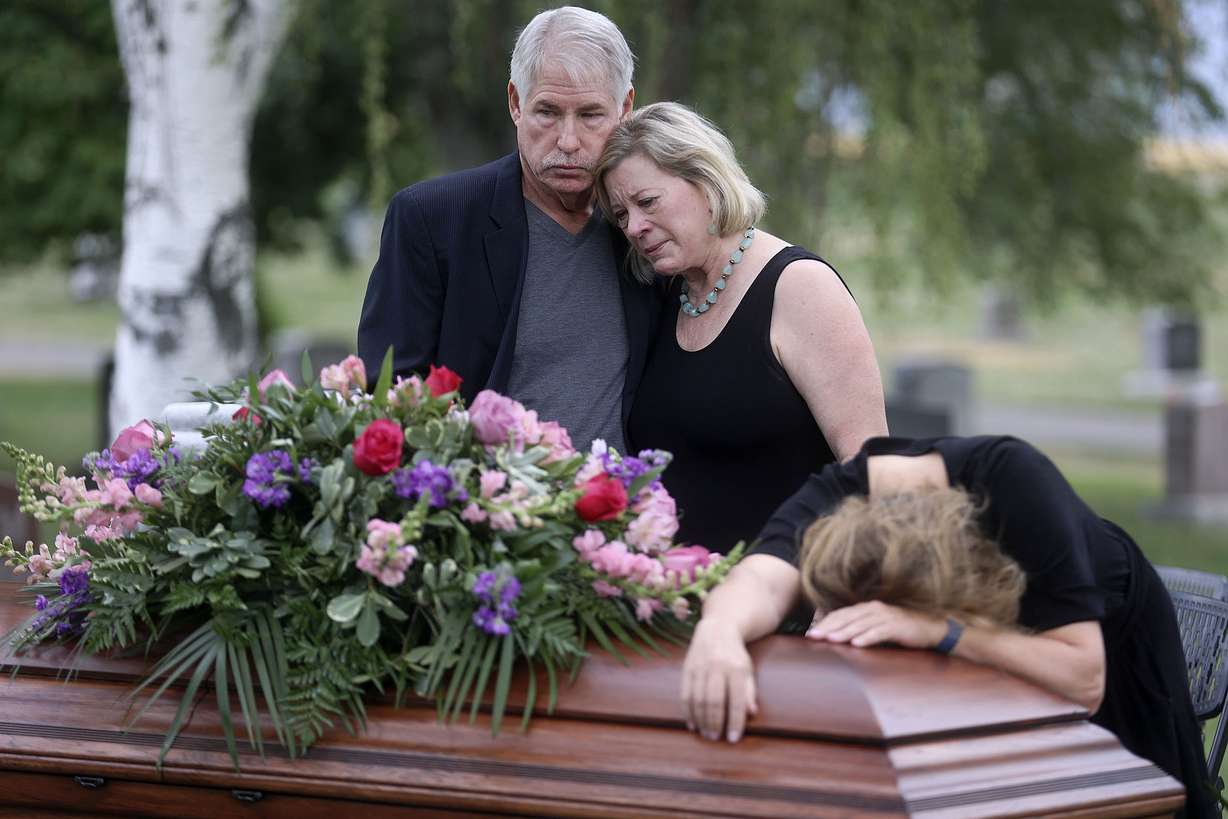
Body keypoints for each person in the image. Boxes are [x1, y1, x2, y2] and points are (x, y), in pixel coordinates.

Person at [681, 434, 1216, 819]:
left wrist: (940, 632)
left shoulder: (1016, 481)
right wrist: (718, 632)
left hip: (1107, 636)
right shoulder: (836, 497)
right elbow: (763, 579)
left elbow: (1084, 675)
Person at [357, 7, 662, 452]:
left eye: (591, 115)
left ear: (626, 108)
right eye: (548, 112)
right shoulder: (431, 219)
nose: (568, 140)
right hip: (486, 510)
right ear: (516, 103)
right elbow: (389, 394)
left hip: (629, 509)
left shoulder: (647, 224)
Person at [594, 103, 887, 554]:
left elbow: (869, 467)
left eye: (647, 202)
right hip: (677, 604)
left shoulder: (800, 286)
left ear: (706, 182)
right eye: (621, 214)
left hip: (789, 601)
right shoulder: (664, 296)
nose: (634, 227)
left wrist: (837, 599)